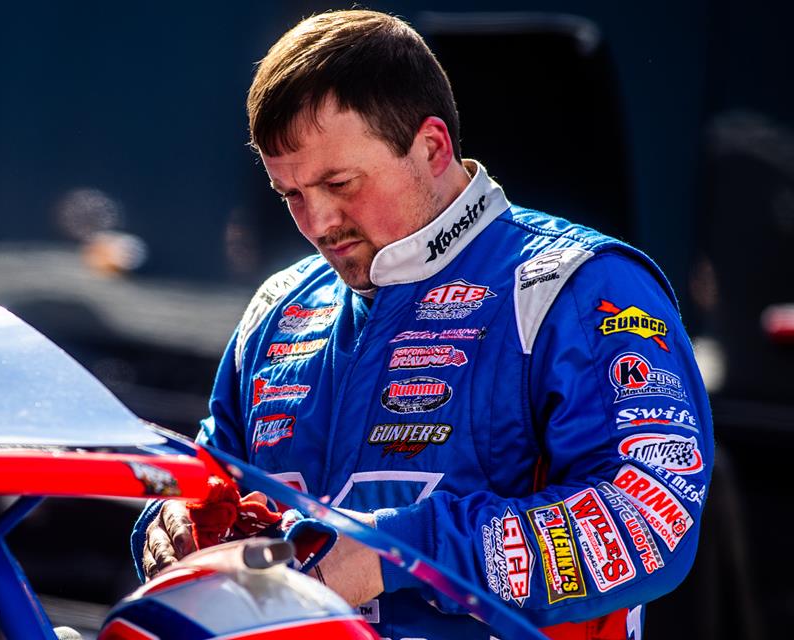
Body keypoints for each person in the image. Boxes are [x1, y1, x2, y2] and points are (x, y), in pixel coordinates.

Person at [132, 9, 712, 639]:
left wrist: (400, 551)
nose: (319, 222)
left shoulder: (575, 286)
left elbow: (651, 521)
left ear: (432, 147)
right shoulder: (280, 307)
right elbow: (208, 477)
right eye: (291, 194)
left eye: (339, 182)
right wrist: (175, 519)